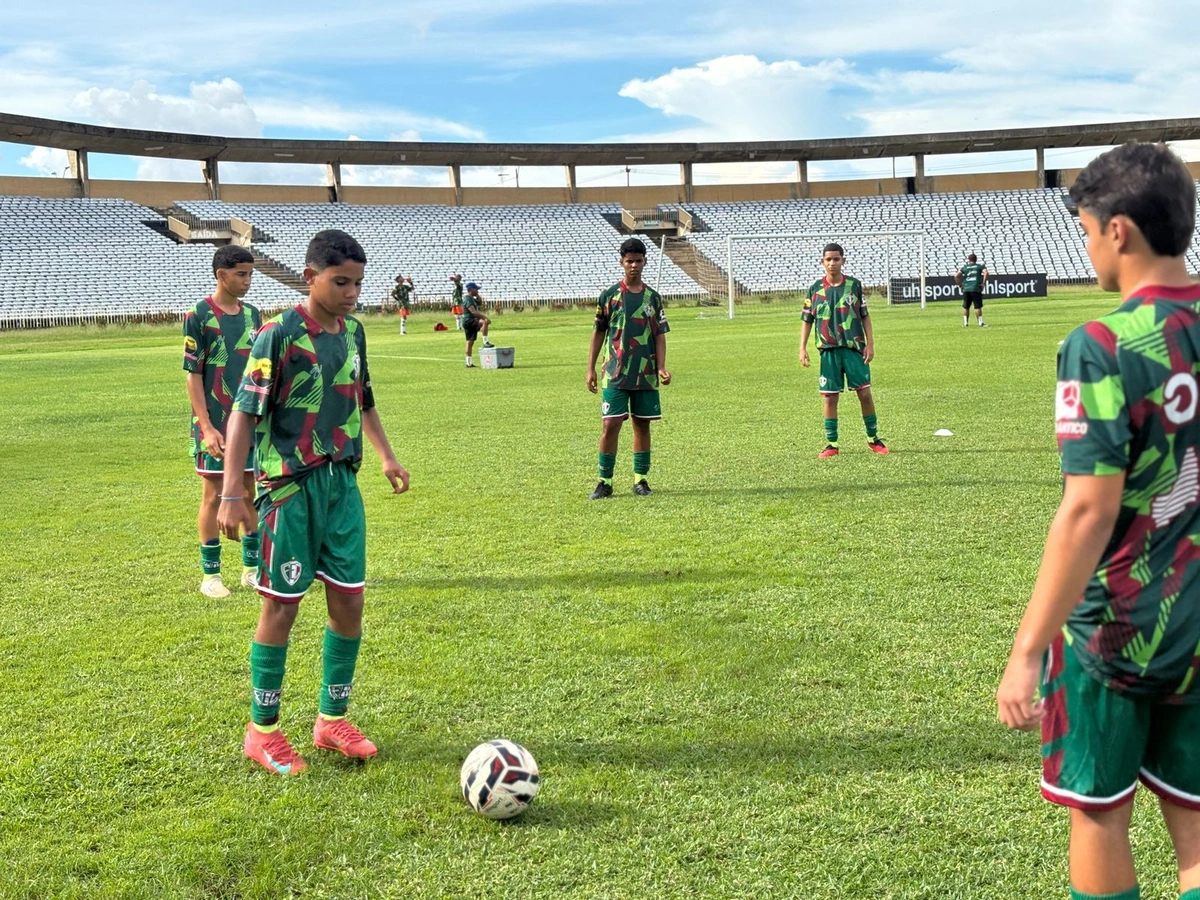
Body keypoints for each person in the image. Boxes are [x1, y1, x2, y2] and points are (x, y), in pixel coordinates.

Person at [997, 142, 1200, 900]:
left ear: (1119, 231)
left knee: (1099, 814)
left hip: (1117, 627)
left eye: (1085, 231)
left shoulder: (1103, 346)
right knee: (1193, 812)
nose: (1086, 248)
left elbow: (1088, 508)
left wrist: (1029, 647)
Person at [218, 229, 410, 776]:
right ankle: (263, 730)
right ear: (310, 277)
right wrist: (234, 491)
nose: (352, 293)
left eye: (357, 283)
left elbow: (363, 399)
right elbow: (243, 414)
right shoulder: (277, 334)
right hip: (290, 488)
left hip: (342, 486)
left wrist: (387, 456)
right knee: (282, 605)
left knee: (349, 601)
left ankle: (331, 720)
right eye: (340, 282)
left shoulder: (353, 332)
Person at [183, 245, 262, 598]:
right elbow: (193, 373)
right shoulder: (199, 315)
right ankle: (210, 576)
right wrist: (206, 426)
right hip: (214, 422)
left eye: (250, 274)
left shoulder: (254, 316)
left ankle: (252, 568)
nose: (247, 281)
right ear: (221, 275)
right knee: (214, 493)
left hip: (249, 421)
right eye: (241, 274)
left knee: (249, 491)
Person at [586, 237, 671, 499]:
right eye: (629, 261)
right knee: (610, 425)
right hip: (615, 371)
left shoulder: (653, 298)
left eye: (638, 260)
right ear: (622, 262)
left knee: (642, 425)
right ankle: (604, 481)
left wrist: (661, 367)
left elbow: (659, 334)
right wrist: (590, 368)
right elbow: (598, 332)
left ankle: (641, 480)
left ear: (645, 262)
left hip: (645, 372)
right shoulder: (609, 296)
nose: (634, 265)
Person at [799, 243, 888, 458]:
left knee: (865, 394)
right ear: (822, 262)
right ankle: (832, 444)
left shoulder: (854, 286)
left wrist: (870, 343)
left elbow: (865, 315)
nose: (832, 263)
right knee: (830, 398)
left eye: (836, 259)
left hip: (853, 349)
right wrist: (802, 348)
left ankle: (873, 439)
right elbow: (807, 320)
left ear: (843, 261)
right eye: (828, 259)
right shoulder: (815, 289)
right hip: (828, 351)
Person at [462, 282, 493, 368]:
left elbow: (479, 303)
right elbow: (473, 312)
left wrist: (477, 295)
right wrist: (485, 317)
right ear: (471, 289)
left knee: (470, 341)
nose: (477, 291)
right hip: (469, 320)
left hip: (469, 321)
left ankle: (468, 363)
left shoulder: (472, 299)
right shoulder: (467, 299)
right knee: (484, 322)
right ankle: (485, 342)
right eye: (476, 289)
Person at [955, 253, 989, 327]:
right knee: (977, 306)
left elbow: (956, 276)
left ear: (968, 260)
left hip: (966, 288)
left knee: (966, 306)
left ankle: (965, 323)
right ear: (976, 259)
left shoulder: (965, 267)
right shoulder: (979, 266)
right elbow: (986, 273)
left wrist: (960, 285)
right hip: (976, 288)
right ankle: (980, 323)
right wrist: (983, 283)